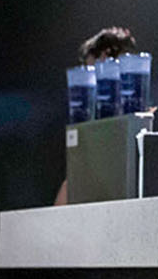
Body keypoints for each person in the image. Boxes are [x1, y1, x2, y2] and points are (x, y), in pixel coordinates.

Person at [54, 26, 139, 206]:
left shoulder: (142, 125)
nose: (87, 81)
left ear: (104, 57)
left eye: (90, 70)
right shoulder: (93, 131)